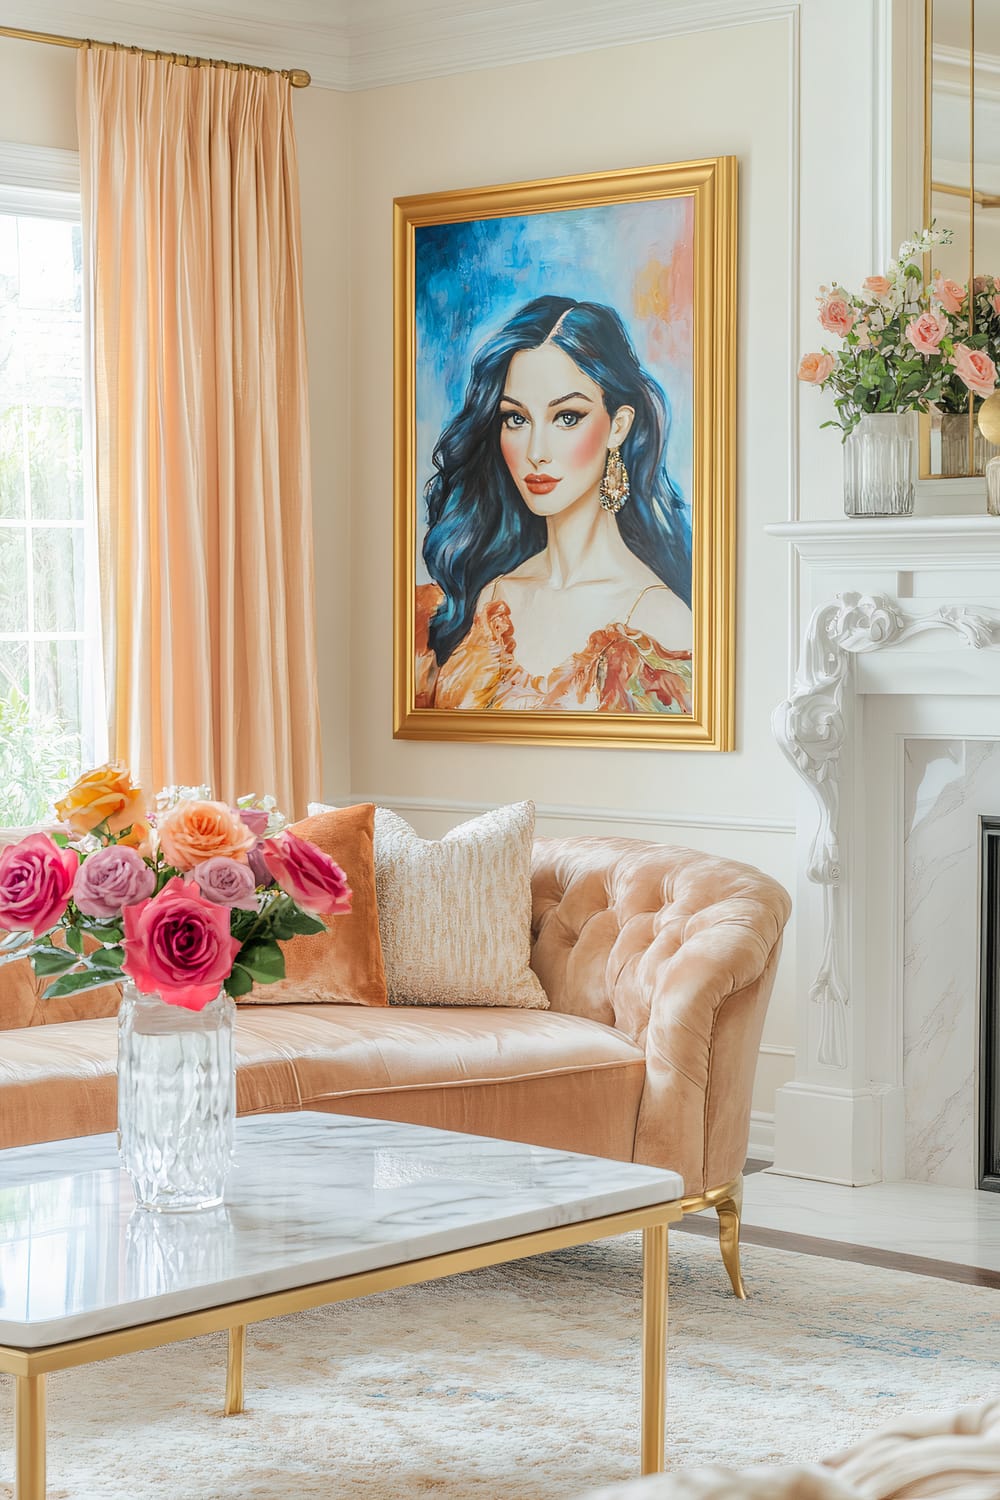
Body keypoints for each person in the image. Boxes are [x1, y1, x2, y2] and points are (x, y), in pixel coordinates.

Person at [415, 294, 693, 713]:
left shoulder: (661, 621)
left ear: (618, 426)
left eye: (567, 417)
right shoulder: (493, 599)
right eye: (516, 419)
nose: (535, 451)